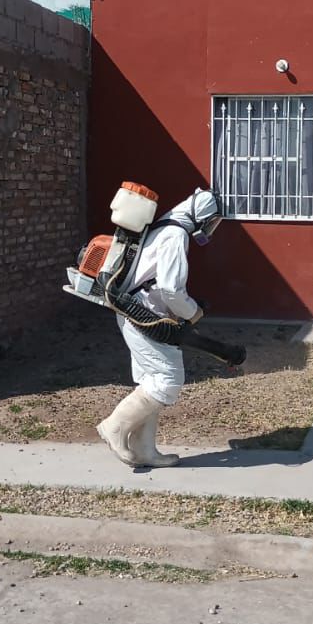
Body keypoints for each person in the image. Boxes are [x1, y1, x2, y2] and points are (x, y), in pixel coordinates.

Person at [95, 188, 223, 467]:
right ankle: (114, 427)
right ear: (202, 216)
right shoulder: (175, 235)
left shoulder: (163, 226)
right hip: (145, 317)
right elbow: (171, 289)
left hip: (136, 313)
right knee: (168, 378)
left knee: (151, 381)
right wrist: (193, 312)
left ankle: (145, 451)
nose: (210, 229)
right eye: (212, 222)